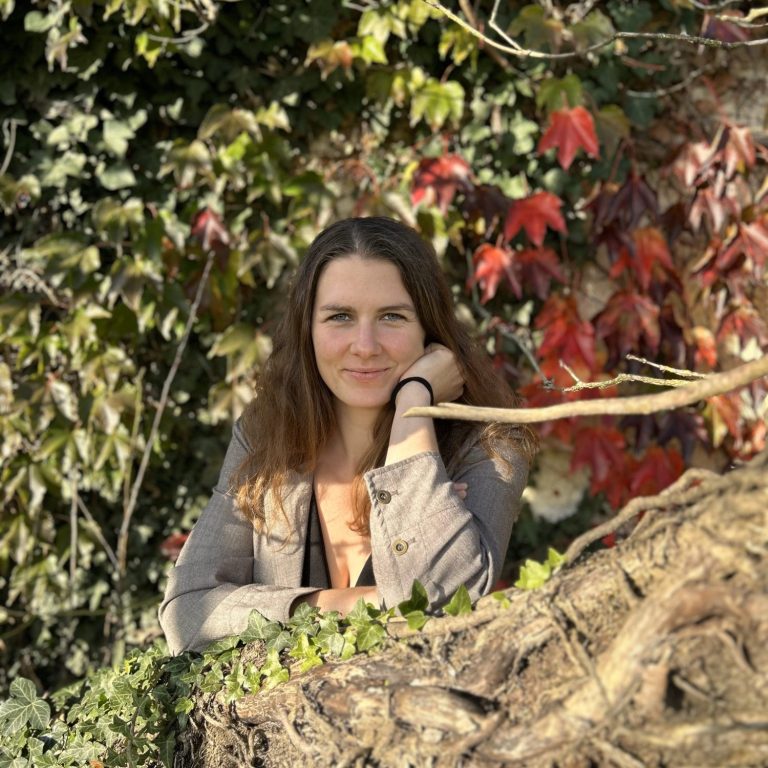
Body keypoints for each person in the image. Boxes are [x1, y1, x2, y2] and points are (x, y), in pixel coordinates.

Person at [159, 216, 535, 654]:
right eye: (340, 316)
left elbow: (445, 604)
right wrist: (355, 605)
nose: (365, 344)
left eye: (392, 316)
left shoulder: (490, 447)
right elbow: (188, 613)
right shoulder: (267, 437)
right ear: (308, 329)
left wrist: (414, 407)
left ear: (428, 330)